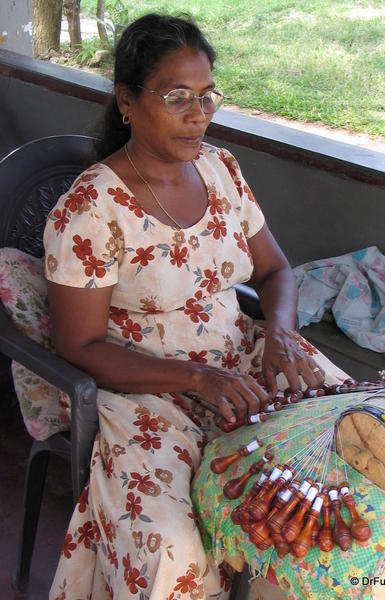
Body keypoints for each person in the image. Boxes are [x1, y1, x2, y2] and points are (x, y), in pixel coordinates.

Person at [44, 13, 347, 599]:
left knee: (342, 463)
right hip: (146, 390)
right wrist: (196, 377)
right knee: (174, 550)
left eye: (207, 96)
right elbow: (78, 346)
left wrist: (280, 334)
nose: (198, 113)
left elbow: (276, 269)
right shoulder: (91, 209)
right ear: (127, 101)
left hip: (244, 357)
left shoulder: (221, 168)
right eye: (176, 96)